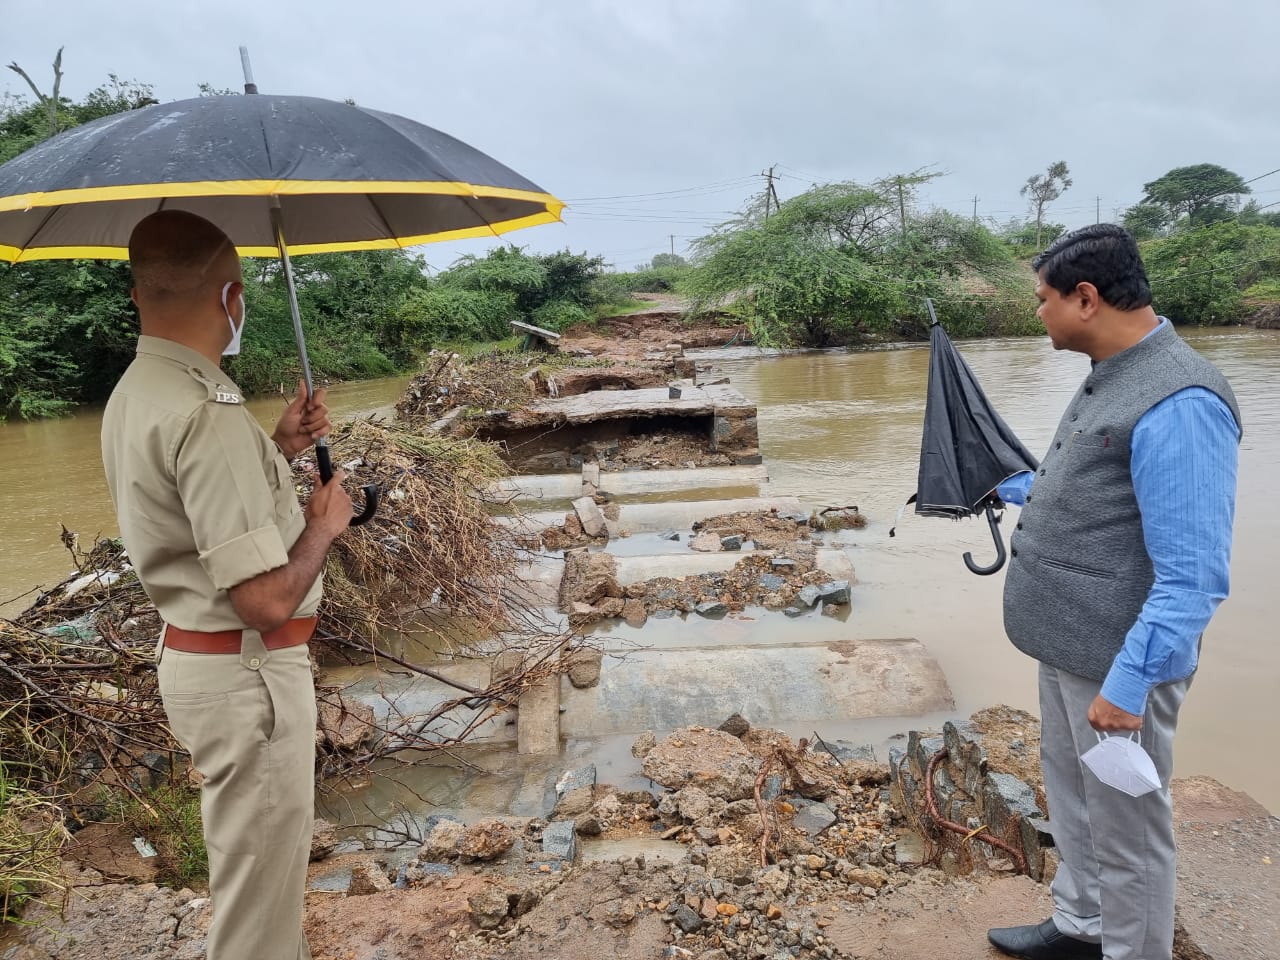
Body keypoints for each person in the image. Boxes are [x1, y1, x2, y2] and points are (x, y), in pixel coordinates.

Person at [100, 210, 354, 960]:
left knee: (256, 879)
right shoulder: (206, 412)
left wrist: (276, 448)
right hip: (248, 670)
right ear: (232, 298)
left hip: (204, 661)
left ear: (139, 292)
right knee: (259, 913)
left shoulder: (140, 390)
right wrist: (323, 527)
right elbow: (265, 599)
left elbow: (192, 513)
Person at [988, 224, 1241, 960]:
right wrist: (1018, 488)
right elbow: (1104, 490)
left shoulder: (1180, 402)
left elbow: (1192, 577)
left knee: (1129, 830)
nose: (1039, 315)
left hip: (1117, 658)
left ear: (1086, 298)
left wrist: (1129, 685)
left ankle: (1134, 951)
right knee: (1071, 795)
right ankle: (1081, 925)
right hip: (1068, 643)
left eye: (1043, 300)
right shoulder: (1116, 370)